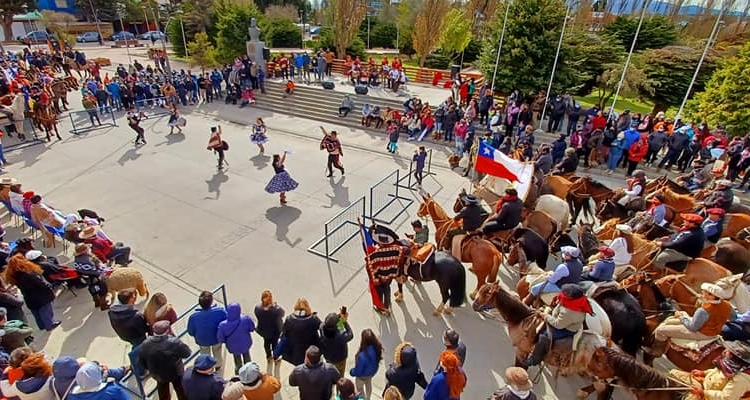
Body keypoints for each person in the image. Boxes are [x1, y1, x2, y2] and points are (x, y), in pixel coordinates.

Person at [650, 282, 733, 356]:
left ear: (711, 296)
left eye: (704, 292)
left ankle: (657, 350)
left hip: (701, 333)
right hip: (714, 333)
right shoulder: (727, 305)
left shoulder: (704, 310)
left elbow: (693, 327)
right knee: (684, 313)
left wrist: (680, 317)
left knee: (661, 330)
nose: (702, 292)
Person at [522, 284, 591, 367]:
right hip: (560, 317)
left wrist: (545, 316)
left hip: (565, 329)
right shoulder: (577, 301)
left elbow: (557, 324)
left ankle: (534, 359)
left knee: (544, 337)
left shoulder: (569, 312)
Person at [670, 340, 750, 400]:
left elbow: (726, 397)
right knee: (673, 374)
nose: (725, 351)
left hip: (709, 396)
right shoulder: (730, 365)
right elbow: (717, 371)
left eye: (729, 351)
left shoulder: (742, 379)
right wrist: (704, 373)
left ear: (735, 358)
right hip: (704, 384)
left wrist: (703, 392)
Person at [138, 321, 192, 400]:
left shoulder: (145, 344)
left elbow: (142, 361)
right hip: (176, 372)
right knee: (181, 390)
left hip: (157, 374)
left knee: (163, 392)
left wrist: (151, 369)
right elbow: (187, 353)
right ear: (167, 330)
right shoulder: (174, 342)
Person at [4, 254, 60, 331]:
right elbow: (41, 283)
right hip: (41, 295)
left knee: (36, 312)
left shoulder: (13, 276)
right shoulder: (29, 273)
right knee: (46, 310)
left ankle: (42, 325)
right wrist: (49, 287)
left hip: (28, 296)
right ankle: (49, 325)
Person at [187, 291, 228, 371]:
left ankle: (207, 367)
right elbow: (226, 322)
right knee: (217, 351)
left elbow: (190, 331)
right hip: (216, 338)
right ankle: (218, 365)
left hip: (202, 340)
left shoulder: (193, 317)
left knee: (204, 353)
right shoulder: (220, 312)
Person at [365, 233, 403, 315]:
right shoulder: (395, 249)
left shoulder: (376, 254)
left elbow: (369, 263)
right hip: (389, 276)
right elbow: (402, 251)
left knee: (380, 292)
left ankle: (381, 308)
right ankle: (387, 305)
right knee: (387, 289)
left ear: (380, 243)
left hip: (380, 277)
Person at [280, 298, 322, 366]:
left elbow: (284, 331)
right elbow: (322, 327)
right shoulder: (313, 319)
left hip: (294, 350)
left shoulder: (290, 319)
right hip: (310, 349)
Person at [217, 303, 256, 375]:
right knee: (247, 356)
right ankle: (250, 371)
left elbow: (220, 339)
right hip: (245, 344)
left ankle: (239, 372)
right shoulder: (246, 319)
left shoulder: (222, 325)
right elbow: (252, 328)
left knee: (237, 360)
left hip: (233, 347)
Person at [349, 329, 383, 400]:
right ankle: (368, 398)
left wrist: (352, 372)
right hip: (371, 373)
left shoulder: (362, 356)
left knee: (360, 389)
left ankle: (363, 398)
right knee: (368, 385)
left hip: (361, 376)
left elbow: (358, 371)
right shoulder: (377, 348)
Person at [318, 310, 353, 377]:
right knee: (340, 374)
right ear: (336, 326)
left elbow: (332, 325)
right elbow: (350, 335)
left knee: (330, 370)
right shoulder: (340, 336)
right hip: (340, 358)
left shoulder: (322, 327)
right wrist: (344, 322)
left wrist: (338, 317)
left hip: (328, 357)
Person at [254, 290, 285, 363]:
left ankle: (268, 356)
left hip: (264, 331)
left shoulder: (258, 308)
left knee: (266, 344)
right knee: (275, 344)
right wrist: (276, 306)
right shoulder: (276, 310)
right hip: (275, 332)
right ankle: (275, 358)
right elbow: (282, 313)